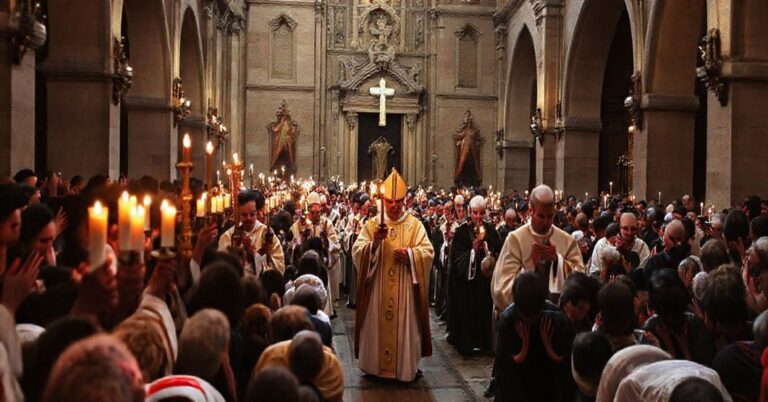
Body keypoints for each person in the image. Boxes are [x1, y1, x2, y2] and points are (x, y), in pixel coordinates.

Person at [352, 169, 434, 382]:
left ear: (404, 200)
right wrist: (375, 243)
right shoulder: (373, 224)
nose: (395, 206)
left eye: (398, 201)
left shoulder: (414, 225)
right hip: (378, 291)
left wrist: (411, 256)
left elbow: (428, 252)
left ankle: (403, 369)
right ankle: (374, 367)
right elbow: (357, 250)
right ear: (383, 200)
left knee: (404, 328)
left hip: (404, 291)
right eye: (390, 201)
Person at [492, 184, 584, 311]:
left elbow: (581, 281)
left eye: (550, 216)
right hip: (524, 317)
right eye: (541, 216)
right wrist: (532, 268)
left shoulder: (566, 241)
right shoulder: (515, 240)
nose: (546, 222)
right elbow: (501, 290)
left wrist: (557, 261)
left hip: (557, 316)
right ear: (530, 210)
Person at [494, 271, 574, 402]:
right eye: (527, 318)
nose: (531, 321)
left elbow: (565, 365)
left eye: (534, 316)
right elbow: (504, 369)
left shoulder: (556, 318)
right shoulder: (509, 320)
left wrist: (548, 346)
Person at [448, 195, 502, 355]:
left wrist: (488, 252)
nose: (478, 217)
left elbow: (499, 253)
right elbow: (457, 259)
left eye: (481, 213)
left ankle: (485, 344)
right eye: (475, 213)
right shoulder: (461, 232)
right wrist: (472, 251)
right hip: (467, 286)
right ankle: (467, 343)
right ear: (470, 212)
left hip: (485, 284)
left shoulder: (492, 231)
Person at [218, 190, 285, 276]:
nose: (248, 218)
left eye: (252, 214)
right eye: (244, 215)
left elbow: (279, 268)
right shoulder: (228, 237)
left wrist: (254, 254)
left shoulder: (266, 234)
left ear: (257, 213)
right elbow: (221, 270)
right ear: (238, 213)